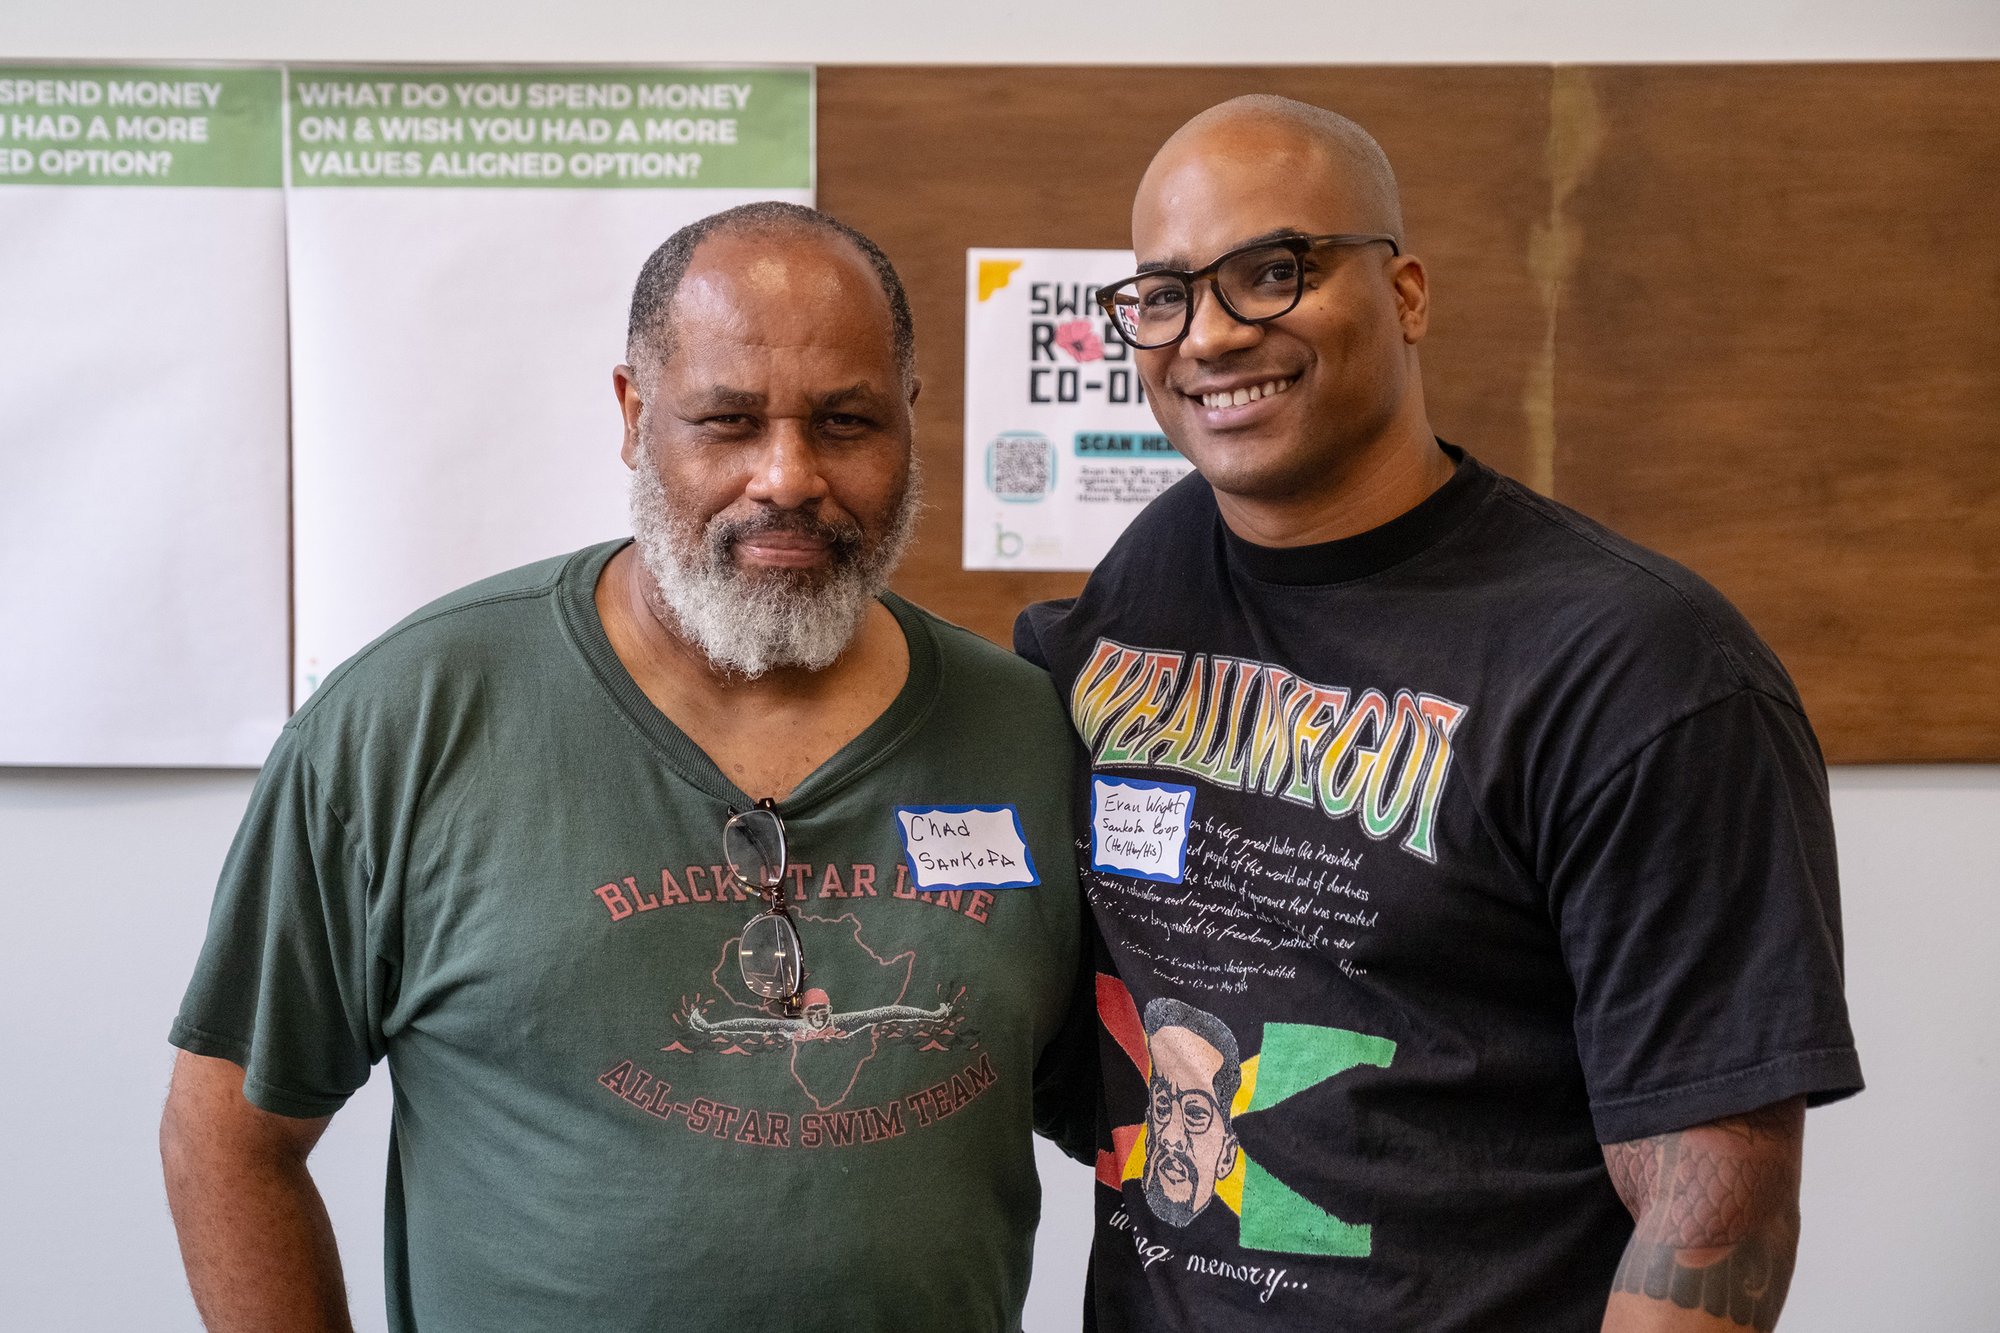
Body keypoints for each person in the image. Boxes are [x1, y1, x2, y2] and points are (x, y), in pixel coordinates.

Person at [163, 201, 1091, 1333]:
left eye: (844, 422)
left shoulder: (1028, 733)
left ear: (908, 418)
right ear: (633, 413)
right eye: (727, 420)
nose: (787, 476)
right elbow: (228, 1133)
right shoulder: (410, 720)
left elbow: (1117, 1099)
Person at [1016, 96, 1862, 1332]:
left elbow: (1711, 1213)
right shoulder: (1141, 588)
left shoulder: (1637, 667)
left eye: (1273, 272)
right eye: (1165, 292)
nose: (1209, 334)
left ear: (1405, 293)